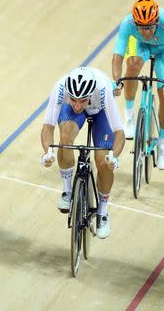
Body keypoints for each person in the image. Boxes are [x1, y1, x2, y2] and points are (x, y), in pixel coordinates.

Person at [40, 67, 125, 239]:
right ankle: (67, 191)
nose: (78, 105)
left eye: (82, 101)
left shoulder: (103, 89)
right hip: (69, 113)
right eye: (73, 100)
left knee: (103, 161)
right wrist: (47, 152)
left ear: (90, 94)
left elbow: (119, 132)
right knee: (64, 138)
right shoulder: (60, 87)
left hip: (100, 113)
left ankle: (102, 210)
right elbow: (48, 126)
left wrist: (114, 157)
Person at [112, 0, 164, 170]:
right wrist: (117, 81)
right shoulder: (127, 24)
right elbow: (118, 56)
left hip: (163, 51)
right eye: (142, 27)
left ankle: (162, 145)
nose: (146, 32)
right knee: (132, 65)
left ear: (157, 22)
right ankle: (129, 117)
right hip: (140, 47)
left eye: (150, 27)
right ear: (135, 23)